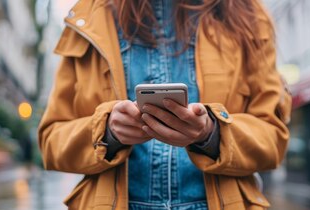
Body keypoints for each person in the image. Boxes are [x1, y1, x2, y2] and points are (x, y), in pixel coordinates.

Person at [38, 0, 291, 209]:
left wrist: (212, 133)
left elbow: (273, 138)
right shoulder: (89, 18)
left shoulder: (248, 15)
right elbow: (51, 141)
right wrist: (107, 132)